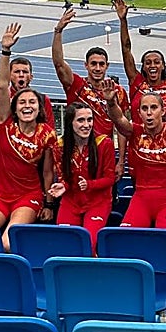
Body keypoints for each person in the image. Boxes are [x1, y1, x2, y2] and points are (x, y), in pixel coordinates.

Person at [0, 23, 59, 251]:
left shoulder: (46, 134)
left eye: (32, 102)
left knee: (7, 243)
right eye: (22, 102)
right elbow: (2, 87)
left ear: (39, 108)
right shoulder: (4, 124)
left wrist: (48, 203)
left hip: (27, 195)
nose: (27, 105)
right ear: (14, 107)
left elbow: (49, 171)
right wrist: (5, 51)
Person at [51, 7, 126, 177]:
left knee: (104, 195)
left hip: (102, 152)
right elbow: (59, 64)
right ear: (86, 65)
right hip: (75, 150)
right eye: (93, 64)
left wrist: (120, 160)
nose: (97, 68)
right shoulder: (76, 84)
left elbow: (122, 128)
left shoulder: (118, 92)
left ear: (107, 66)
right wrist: (58, 31)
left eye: (101, 64)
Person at [107, 76, 166, 231]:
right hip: (141, 200)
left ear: (163, 110)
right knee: (125, 238)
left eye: (154, 108)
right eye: (145, 109)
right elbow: (118, 119)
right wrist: (111, 102)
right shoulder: (135, 132)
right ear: (140, 113)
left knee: (165, 240)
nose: (149, 113)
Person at [114, 0, 166, 118]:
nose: (152, 65)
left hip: (164, 136)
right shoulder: (137, 82)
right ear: (143, 67)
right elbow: (126, 49)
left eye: (157, 62)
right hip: (138, 136)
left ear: (163, 66)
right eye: (148, 63)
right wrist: (123, 21)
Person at [50, 102, 116, 251]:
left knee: (88, 244)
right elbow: (64, 178)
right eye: (81, 120)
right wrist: (63, 186)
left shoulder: (104, 143)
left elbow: (110, 178)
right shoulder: (59, 146)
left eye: (90, 119)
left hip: (98, 202)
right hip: (71, 202)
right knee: (65, 243)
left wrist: (90, 184)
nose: (86, 125)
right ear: (70, 122)